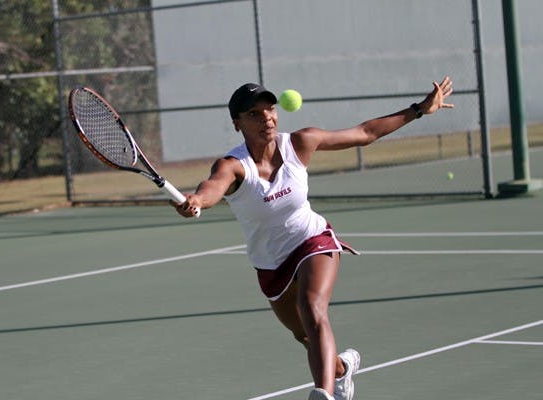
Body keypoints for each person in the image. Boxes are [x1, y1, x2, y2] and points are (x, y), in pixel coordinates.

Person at [172, 77, 454, 400]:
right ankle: (342, 371)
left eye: (270, 109)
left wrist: (419, 109)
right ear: (237, 124)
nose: (267, 118)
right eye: (254, 113)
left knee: (312, 307)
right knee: (306, 335)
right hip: (270, 263)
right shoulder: (234, 166)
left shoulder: (300, 143)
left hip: (312, 240)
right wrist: (196, 200)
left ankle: (324, 394)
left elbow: (365, 133)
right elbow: (212, 188)